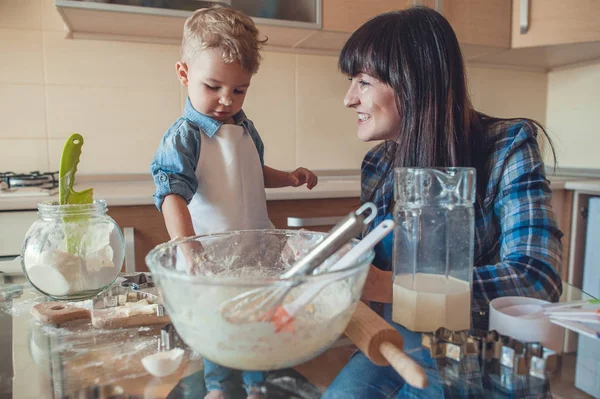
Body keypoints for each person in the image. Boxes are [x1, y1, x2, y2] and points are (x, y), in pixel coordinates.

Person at [322, 6, 563, 398]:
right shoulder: (379, 164)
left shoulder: (508, 146)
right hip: (403, 338)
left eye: (363, 82)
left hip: (482, 351)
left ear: (413, 83)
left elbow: (535, 279)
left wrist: (391, 286)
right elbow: (374, 267)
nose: (349, 98)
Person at [150, 6, 318, 399]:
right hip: (211, 255)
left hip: (254, 250)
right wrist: (186, 245)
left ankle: (258, 386)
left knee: (258, 322)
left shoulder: (245, 127)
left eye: (239, 89)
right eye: (213, 87)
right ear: (184, 74)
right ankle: (219, 388)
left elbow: (252, 172)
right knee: (220, 325)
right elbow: (171, 192)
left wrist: (288, 178)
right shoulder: (185, 136)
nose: (227, 100)